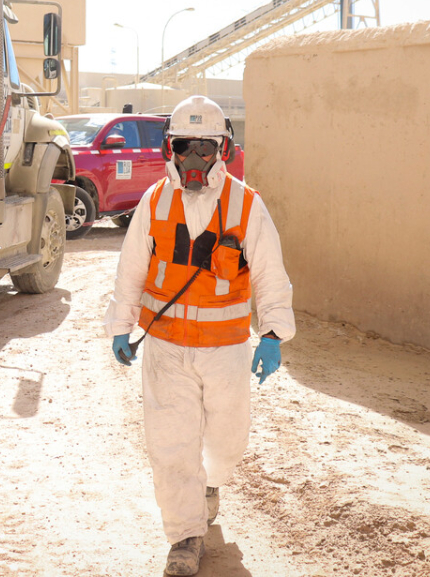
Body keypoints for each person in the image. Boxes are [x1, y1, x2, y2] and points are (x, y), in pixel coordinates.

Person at [103, 95, 294, 576]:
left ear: (222, 149)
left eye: (203, 146)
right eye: (184, 145)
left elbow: (270, 273)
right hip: (166, 348)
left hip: (226, 350)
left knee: (226, 441)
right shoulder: (154, 201)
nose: (193, 157)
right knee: (170, 444)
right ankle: (185, 536)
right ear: (171, 147)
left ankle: (210, 483)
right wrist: (121, 325)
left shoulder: (247, 205)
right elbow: (131, 269)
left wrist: (271, 333)